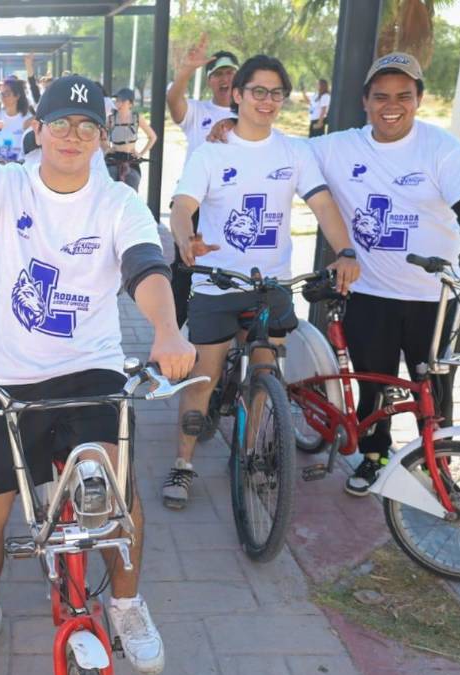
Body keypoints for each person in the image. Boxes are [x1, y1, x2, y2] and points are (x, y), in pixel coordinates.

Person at [0, 71, 196, 675]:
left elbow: (145, 268)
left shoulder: (119, 202)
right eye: (59, 124)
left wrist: (167, 330)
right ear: (37, 129)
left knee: (117, 497)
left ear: (103, 137)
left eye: (87, 126)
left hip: (89, 373)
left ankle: (127, 603)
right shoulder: (10, 189)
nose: (72, 136)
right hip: (9, 378)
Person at [162, 55, 359, 509]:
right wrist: (185, 239)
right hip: (216, 283)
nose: (267, 101)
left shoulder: (295, 152)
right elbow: (180, 205)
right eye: (258, 91)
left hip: (271, 285)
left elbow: (325, 205)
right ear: (237, 95)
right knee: (203, 379)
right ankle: (183, 463)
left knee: (266, 374)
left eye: (276, 93)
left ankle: (249, 455)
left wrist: (345, 251)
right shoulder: (212, 152)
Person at [305, 53, 460, 494]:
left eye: (404, 96)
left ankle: (436, 463)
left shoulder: (442, 149)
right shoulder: (338, 146)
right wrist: (228, 129)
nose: (393, 105)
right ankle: (373, 456)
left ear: (419, 100)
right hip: (369, 293)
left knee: (436, 387)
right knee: (374, 384)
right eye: (382, 96)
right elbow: (279, 150)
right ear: (365, 101)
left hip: (435, 298)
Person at [166, 34, 241, 330]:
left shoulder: (249, 114)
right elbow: (173, 101)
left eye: (231, 73)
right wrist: (186, 70)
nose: (225, 78)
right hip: (194, 205)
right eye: (219, 73)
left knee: (229, 268)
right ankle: (171, 337)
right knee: (186, 269)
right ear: (210, 80)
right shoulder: (198, 112)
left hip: (231, 207)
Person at [105, 87, 156, 191]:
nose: (119, 104)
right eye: (117, 100)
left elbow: (152, 137)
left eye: (122, 101)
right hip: (113, 159)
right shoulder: (111, 118)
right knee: (110, 190)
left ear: (130, 104)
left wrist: (141, 154)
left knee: (132, 190)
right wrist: (106, 148)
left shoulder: (137, 118)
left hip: (131, 160)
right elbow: (99, 134)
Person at [0, 77, 33, 163]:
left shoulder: (27, 119)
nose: (3, 97)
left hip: (18, 165)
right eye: (1, 94)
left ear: (17, 96)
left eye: (7, 94)